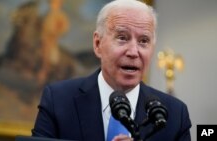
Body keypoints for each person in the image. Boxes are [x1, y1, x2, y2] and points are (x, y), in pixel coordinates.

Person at [32, 0, 191, 141]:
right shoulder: (58, 100)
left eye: (143, 41)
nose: (133, 52)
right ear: (97, 44)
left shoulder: (175, 115)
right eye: (122, 37)